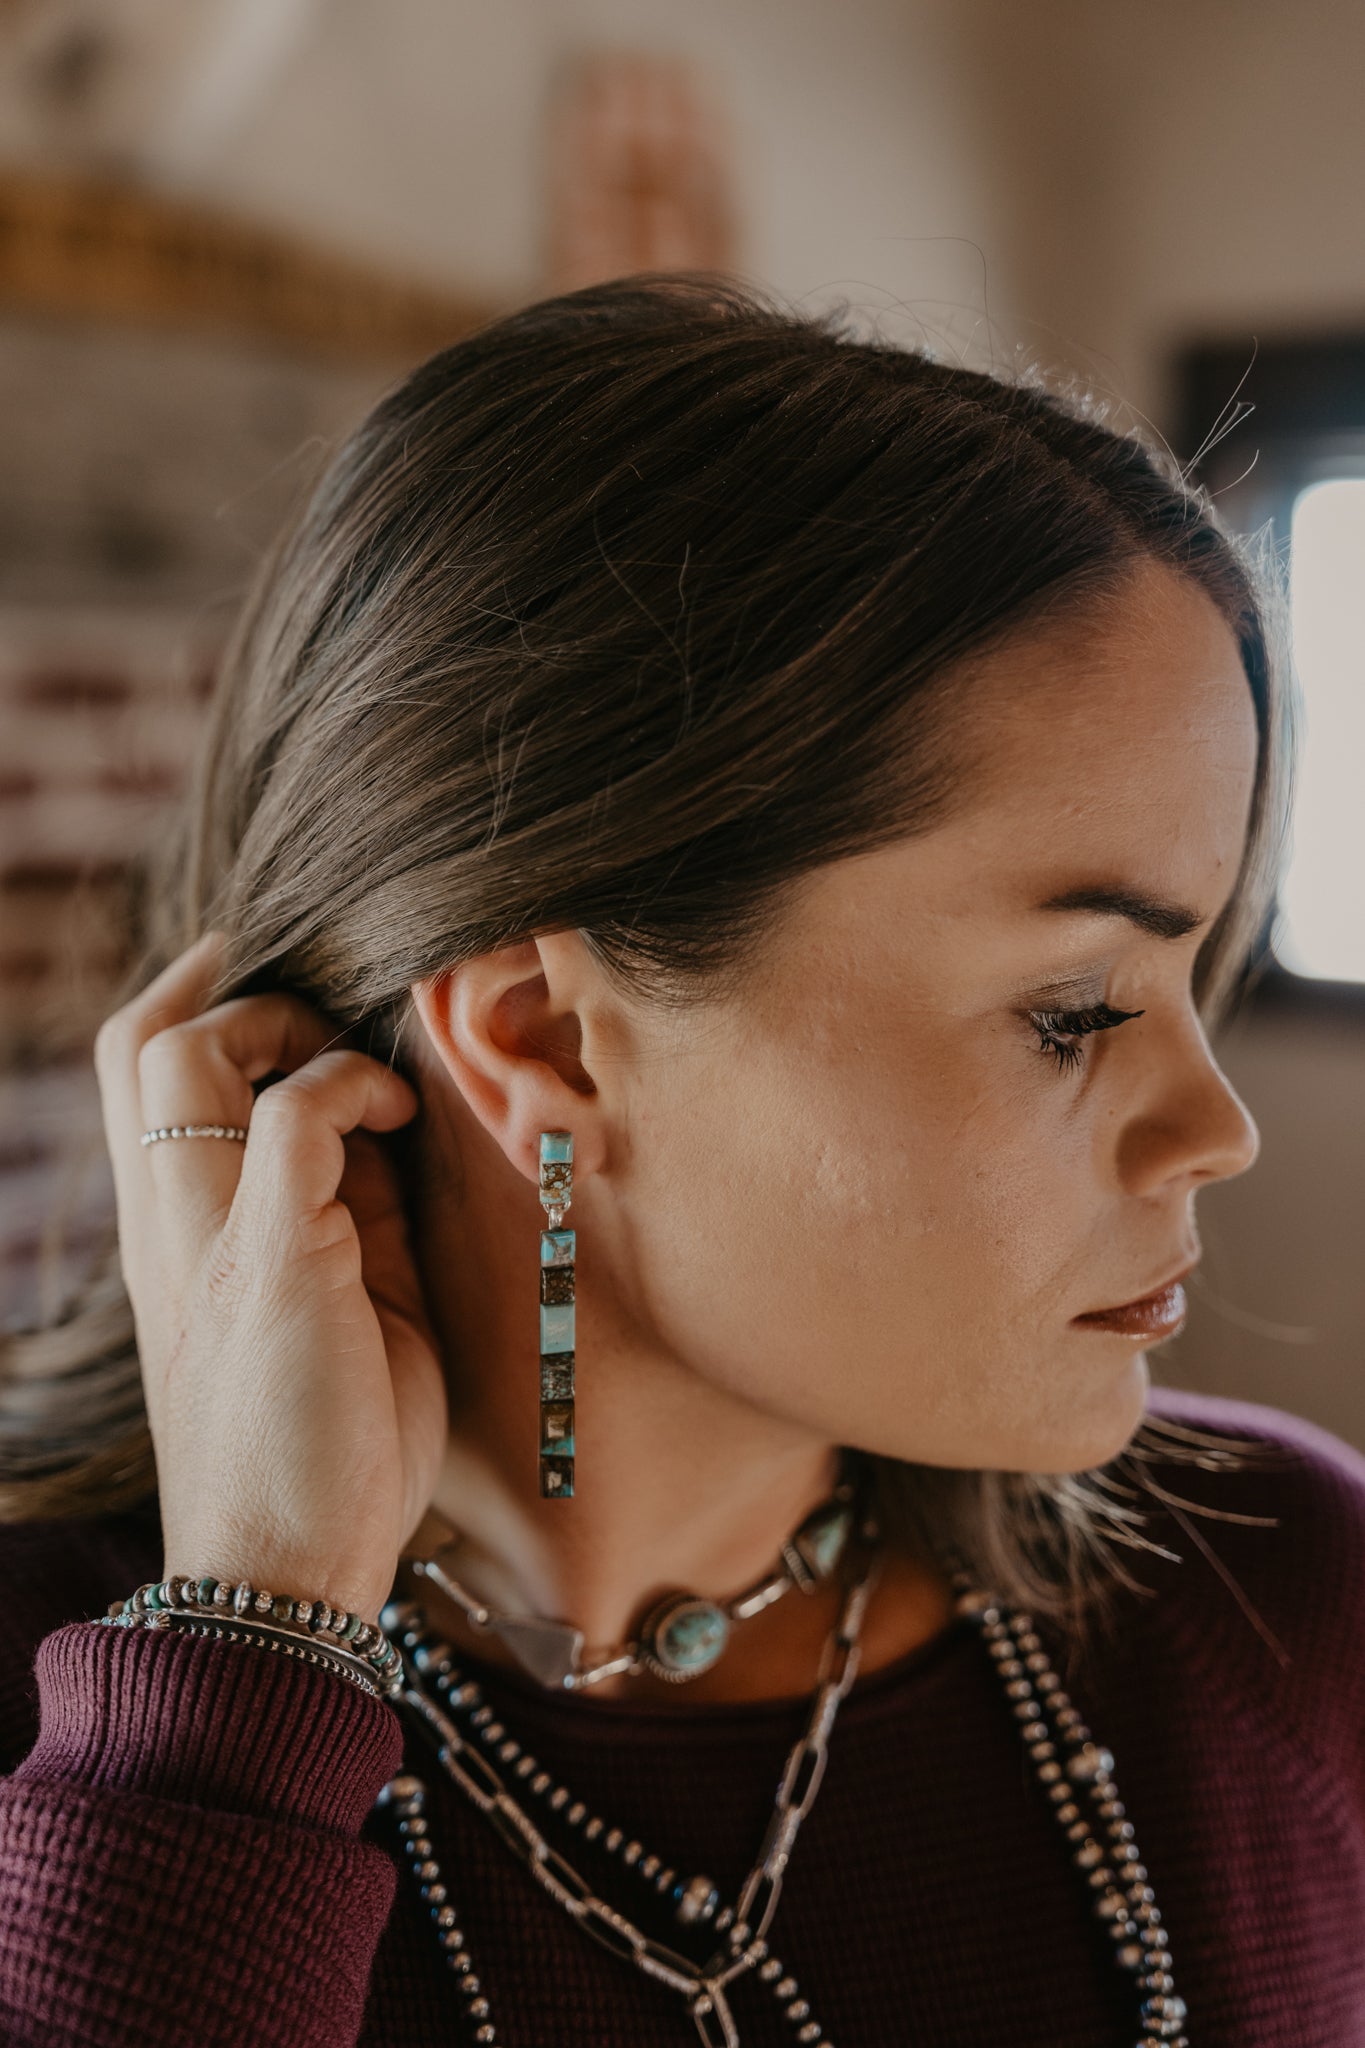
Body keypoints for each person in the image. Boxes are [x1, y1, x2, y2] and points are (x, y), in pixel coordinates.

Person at [1, 272, 1362, 2048]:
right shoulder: (71, 1722)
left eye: (1197, 977)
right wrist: (253, 1649)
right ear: (547, 1042)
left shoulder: (1286, 1606)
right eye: (1075, 1008)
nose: (1218, 1128)